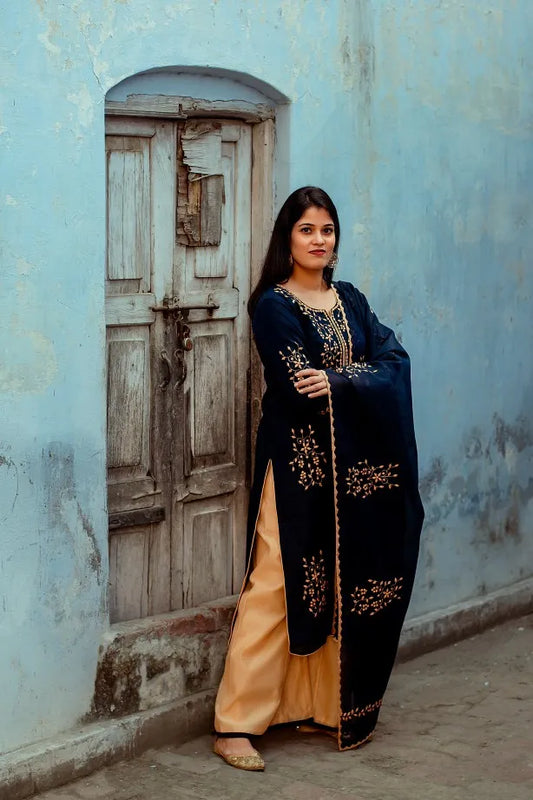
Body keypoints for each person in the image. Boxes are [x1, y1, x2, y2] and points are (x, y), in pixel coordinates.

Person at [212, 187, 424, 771]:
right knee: (278, 580)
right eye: (307, 229)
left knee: (337, 576)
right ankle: (234, 722)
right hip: (299, 465)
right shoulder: (274, 306)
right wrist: (354, 377)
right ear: (288, 238)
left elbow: (395, 362)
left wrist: (341, 381)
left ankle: (316, 705)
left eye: (327, 229)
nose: (319, 240)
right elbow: (296, 381)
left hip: (351, 471)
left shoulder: (350, 300)